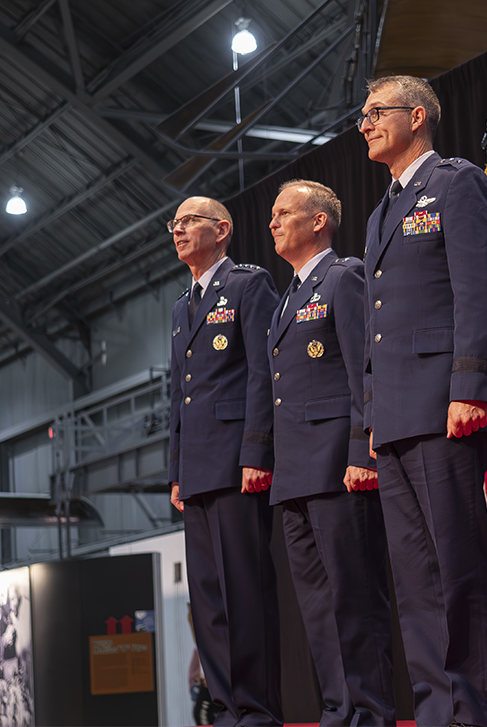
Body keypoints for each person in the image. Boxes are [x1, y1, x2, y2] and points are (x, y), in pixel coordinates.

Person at [359, 75, 487, 726]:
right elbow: (377, 326)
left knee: (457, 574)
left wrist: (470, 384)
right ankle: (436, 712)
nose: (363, 123)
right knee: (416, 584)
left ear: (415, 116)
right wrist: (370, 417)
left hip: (444, 407)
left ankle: (473, 714)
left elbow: (482, 290)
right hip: (393, 419)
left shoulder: (455, 183)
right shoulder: (380, 213)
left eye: (375, 112)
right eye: (361, 115)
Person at [266, 180, 395, 726]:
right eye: (271, 215)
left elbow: (362, 369)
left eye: (284, 213)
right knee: (317, 607)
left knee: (355, 597)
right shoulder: (288, 297)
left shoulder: (343, 279)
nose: (273, 223)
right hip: (295, 473)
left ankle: (369, 711)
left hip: (339, 468)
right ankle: (338, 710)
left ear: (318, 221)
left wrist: (361, 452)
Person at [168, 196, 283, 727]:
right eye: (174, 224)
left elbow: (264, 373)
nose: (178, 229)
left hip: (239, 463)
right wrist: (175, 471)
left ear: (222, 229)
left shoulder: (246, 284)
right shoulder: (181, 305)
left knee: (243, 592)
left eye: (189, 221)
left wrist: (257, 450)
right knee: (208, 601)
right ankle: (227, 710)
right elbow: (179, 396)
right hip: (196, 471)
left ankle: (257, 710)